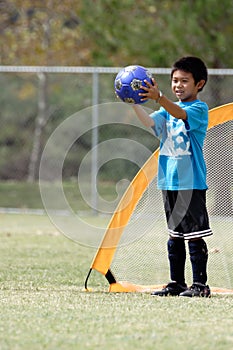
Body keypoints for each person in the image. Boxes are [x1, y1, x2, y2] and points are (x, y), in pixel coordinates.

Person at [132, 56, 212, 297]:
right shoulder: (164, 112)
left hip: (191, 183)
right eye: (175, 81)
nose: (178, 85)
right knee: (174, 236)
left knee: (194, 236)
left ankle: (200, 286)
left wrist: (160, 98)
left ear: (199, 84)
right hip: (169, 182)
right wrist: (134, 102)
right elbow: (149, 122)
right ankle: (177, 282)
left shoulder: (198, 109)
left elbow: (179, 113)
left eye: (184, 81)